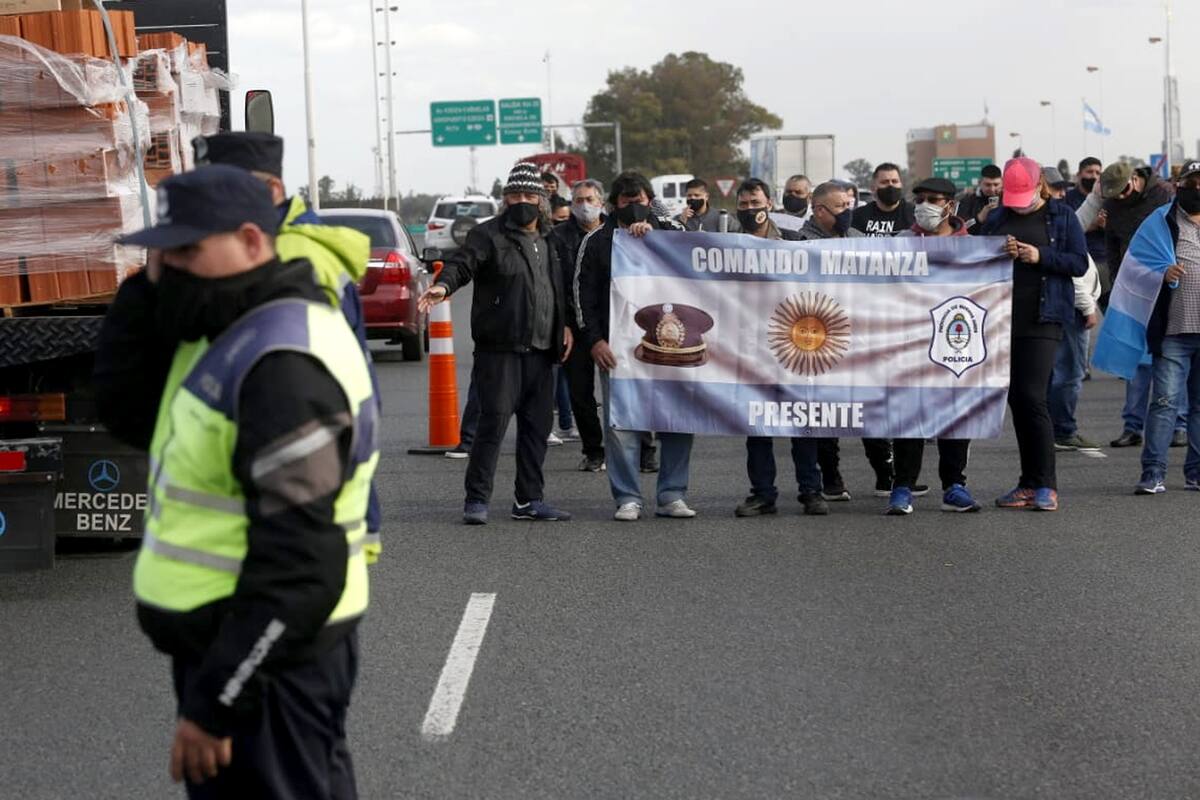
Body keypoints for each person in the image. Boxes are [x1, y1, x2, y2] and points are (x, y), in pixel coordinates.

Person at [93, 166, 377, 797]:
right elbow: (128, 411)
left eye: (188, 249)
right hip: (238, 648)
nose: (173, 267)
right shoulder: (225, 326)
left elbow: (303, 565)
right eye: (161, 252)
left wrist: (218, 701)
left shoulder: (281, 362)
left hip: (270, 667)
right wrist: (145, 290)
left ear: (252, 241)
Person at [192, 131, 386, 562]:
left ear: (272, 191)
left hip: (306, 500)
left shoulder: (295, 259)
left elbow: (300, 398)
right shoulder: (255, 246)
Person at [418, 162, 573, 525]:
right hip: (500, 350)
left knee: (536, 431)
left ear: (542, 200)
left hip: (542, 350)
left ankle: (529, 500)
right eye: (515, 195)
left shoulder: (552, 240)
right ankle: (476, 500)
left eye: (529, 195)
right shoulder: (487, 235)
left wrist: (566, 327)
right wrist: (444, 286)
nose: (523, 201)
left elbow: (559, 289)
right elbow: (463, 264)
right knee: (493, 426)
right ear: (505, 200)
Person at [576, 171, 696, 521]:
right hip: (618, 351)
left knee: (677, 420)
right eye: (627, 204)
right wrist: (594, 340)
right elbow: (582, 295)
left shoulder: (673, 234)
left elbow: (698, 274)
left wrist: (654, 238)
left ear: (649, 201)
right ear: (615, 205)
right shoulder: (598, 240)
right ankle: (628, 496)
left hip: (672, 349)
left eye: (639, 202)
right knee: (621, 425)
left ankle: (672, 494)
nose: (634, 208)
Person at [981, 157, 1089, 511]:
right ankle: (1028, 482)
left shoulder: (1062, 215)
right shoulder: (998, 216)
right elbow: (974, 256)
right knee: (1017, 400)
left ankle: (1046, 485)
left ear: (1040, 183)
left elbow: (1078, 262)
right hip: (1000, 318)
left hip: (1044, 316)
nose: (1020, 202)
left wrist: (1038, 254)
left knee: (1032, 396)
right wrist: (996, 249)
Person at [881, 177, 982, 513]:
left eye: (934, 200)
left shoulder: (972, 246)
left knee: (955, 414)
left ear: (950, 206)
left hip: (954, 344)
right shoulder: (901, 242)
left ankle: (955, 485)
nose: (925, 205)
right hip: (909, 341)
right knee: (909, 414)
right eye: (920, 199)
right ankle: (903, 487)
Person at [730, 179, 827, 517]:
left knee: (803, 423)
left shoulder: (793, 241)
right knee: (757, 427)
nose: (749, 209)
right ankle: (762, 494)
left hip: (792, 345)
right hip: (749, 347)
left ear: (769, 203)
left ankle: (812, 492)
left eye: (754, 202)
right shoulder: (727, 244)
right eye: (742, 204)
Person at [1100, 161, 1183, 449]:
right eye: (1115, 194)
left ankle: (1180, 425)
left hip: (1172, 285)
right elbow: (1112, 246)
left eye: (1123, 190)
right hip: (1134, 285)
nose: (1121, 197)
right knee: (1137, 358)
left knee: (1177, 357)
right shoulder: (1113, 205)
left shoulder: (1163, 195)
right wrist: (1114, 285)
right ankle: (1132, 425)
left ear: (1135, 179)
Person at [1135, 160, 1200, 494]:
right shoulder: (1160, 223)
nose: (1198, 189)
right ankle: (1153, 472)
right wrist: (1161, 274)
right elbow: (1135, 267)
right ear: (1179, 185)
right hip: (1173, 332)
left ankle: (1196, 473)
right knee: (1164, 402)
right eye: (1193, 182)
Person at [551, 178, 607, 472]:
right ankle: (594, 450)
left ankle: (642, 451)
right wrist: (563, 324)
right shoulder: (557, 237)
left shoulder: (616, 232)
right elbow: (554, 285)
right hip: (574, 325)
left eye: (590, 199)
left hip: (611, 324)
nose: (584, 205)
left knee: (623, 391)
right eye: (578, 200)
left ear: (602, 202)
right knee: (580, 393)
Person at [1065, 157, 1108, 271]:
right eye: (1089, 172)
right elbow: (1066, 228)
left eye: (1098, 173)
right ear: (1079, 174)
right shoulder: (1067, 199)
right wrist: (1092, 224)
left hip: (1103, 258)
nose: (1094, 176)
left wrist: (1105, 225)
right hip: (1079, 257)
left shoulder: (1106, 199)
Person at [852, 162, 914, 237]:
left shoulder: (914, 214)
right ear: (873, 188)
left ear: (901, 185)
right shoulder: (858, 216)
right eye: (884, 182)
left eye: (894, 181)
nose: (890, 185)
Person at [959, 163, 1003, 233]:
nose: (992, 189)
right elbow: (960, 228)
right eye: (988, 185)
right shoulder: (968, 201)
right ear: (980, 183)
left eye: (996, 184)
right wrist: (978, 218)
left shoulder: (1007, 201)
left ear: (1002, 183)